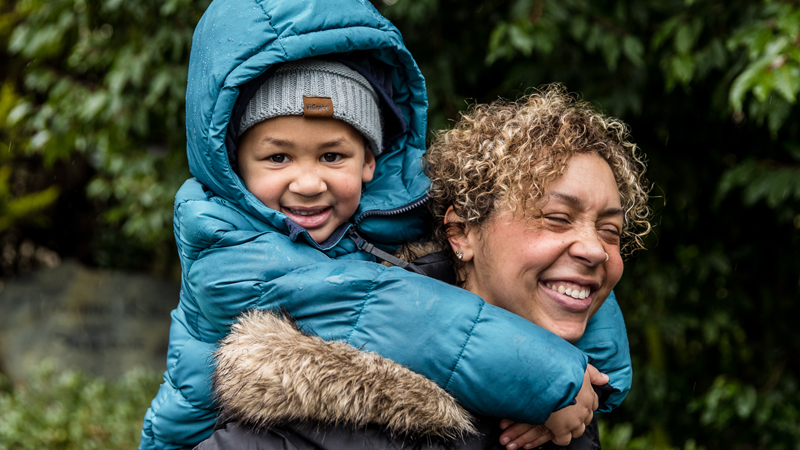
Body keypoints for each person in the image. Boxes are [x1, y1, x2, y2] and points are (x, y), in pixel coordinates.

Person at [138, 0, 634, 448]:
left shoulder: (395, 206)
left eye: (333, 155)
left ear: (369, 162)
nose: (308, 182)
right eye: (278, 157)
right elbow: (379, 308)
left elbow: (571, 282)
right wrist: (545, 379)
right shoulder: (222, 238)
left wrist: (593, 381)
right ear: (235, 164)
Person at [196, 84, 651, 450]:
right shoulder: (319, 414)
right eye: (556, 218)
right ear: (461, 233)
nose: (595, 250)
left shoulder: (568, 411)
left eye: (611, 231)